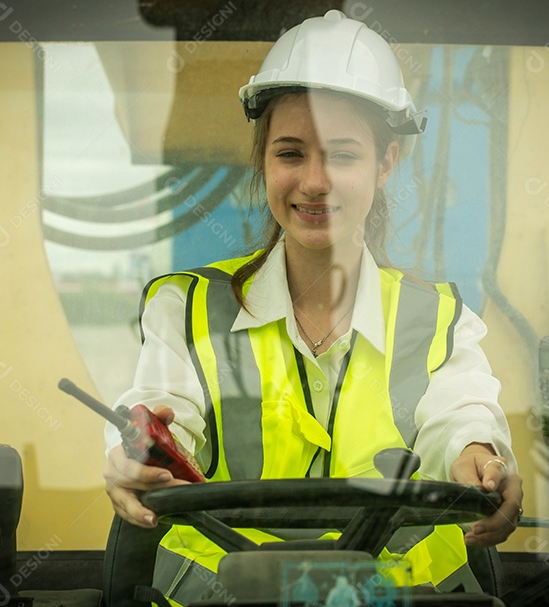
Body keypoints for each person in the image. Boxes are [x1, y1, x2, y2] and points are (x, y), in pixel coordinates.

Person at [104, 9, 523, 600]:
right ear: (263, 160)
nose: (315, 181)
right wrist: (131, 459)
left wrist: (479, 459)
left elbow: (461, 421)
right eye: (291, 153)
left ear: (385, 164)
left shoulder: (440, 322)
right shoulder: (184, 308)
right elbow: (161, 409)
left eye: (343, 155)